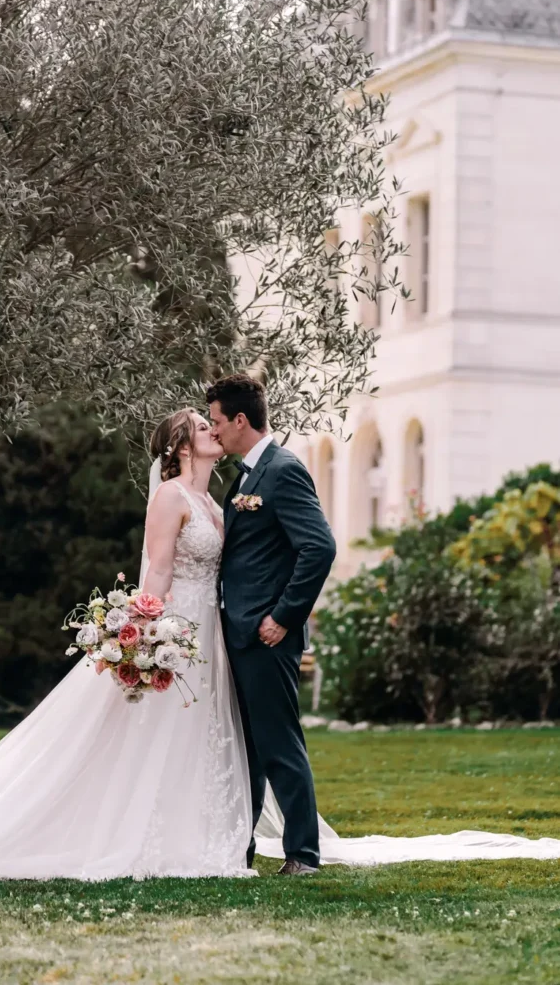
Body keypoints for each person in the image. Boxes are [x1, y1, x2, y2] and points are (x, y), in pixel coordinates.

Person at [0, 395, 560, 880]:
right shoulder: (174, 497)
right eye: (201, 426)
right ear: (180, 445)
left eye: (214, 422)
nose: (212, 430)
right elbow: (155, 566)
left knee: (219, 734)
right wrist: (146, 628)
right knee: (165, 731)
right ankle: (153, 832)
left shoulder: (223, 497)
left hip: (220, 629)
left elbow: (263, 553)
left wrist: (272, 613)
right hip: (182, 624)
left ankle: (217, 835)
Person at [207, 373, 336, 874]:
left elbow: (319, 547)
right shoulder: (243, 477)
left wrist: (283, 616)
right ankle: (243, 848)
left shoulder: (282, 470)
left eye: (217, 421)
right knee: (252, 752)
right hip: (239, 632)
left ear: (240, 420)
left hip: (266, 635)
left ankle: (302, 855)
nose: (213, 430)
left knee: (279, 744)